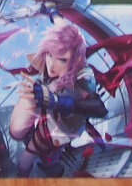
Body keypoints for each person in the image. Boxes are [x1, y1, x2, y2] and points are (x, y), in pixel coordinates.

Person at [8, 22, 107, 175]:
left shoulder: (82, 74)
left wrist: (59, 102)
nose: (51, 65)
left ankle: (47, 166)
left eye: (61, 60)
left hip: (66, 125)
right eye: (49, 55)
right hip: (50, 115)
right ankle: (47, 160)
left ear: (76, 60)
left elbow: (99, 108)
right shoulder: (48, 69)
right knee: (27, 119)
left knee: (31, 157)